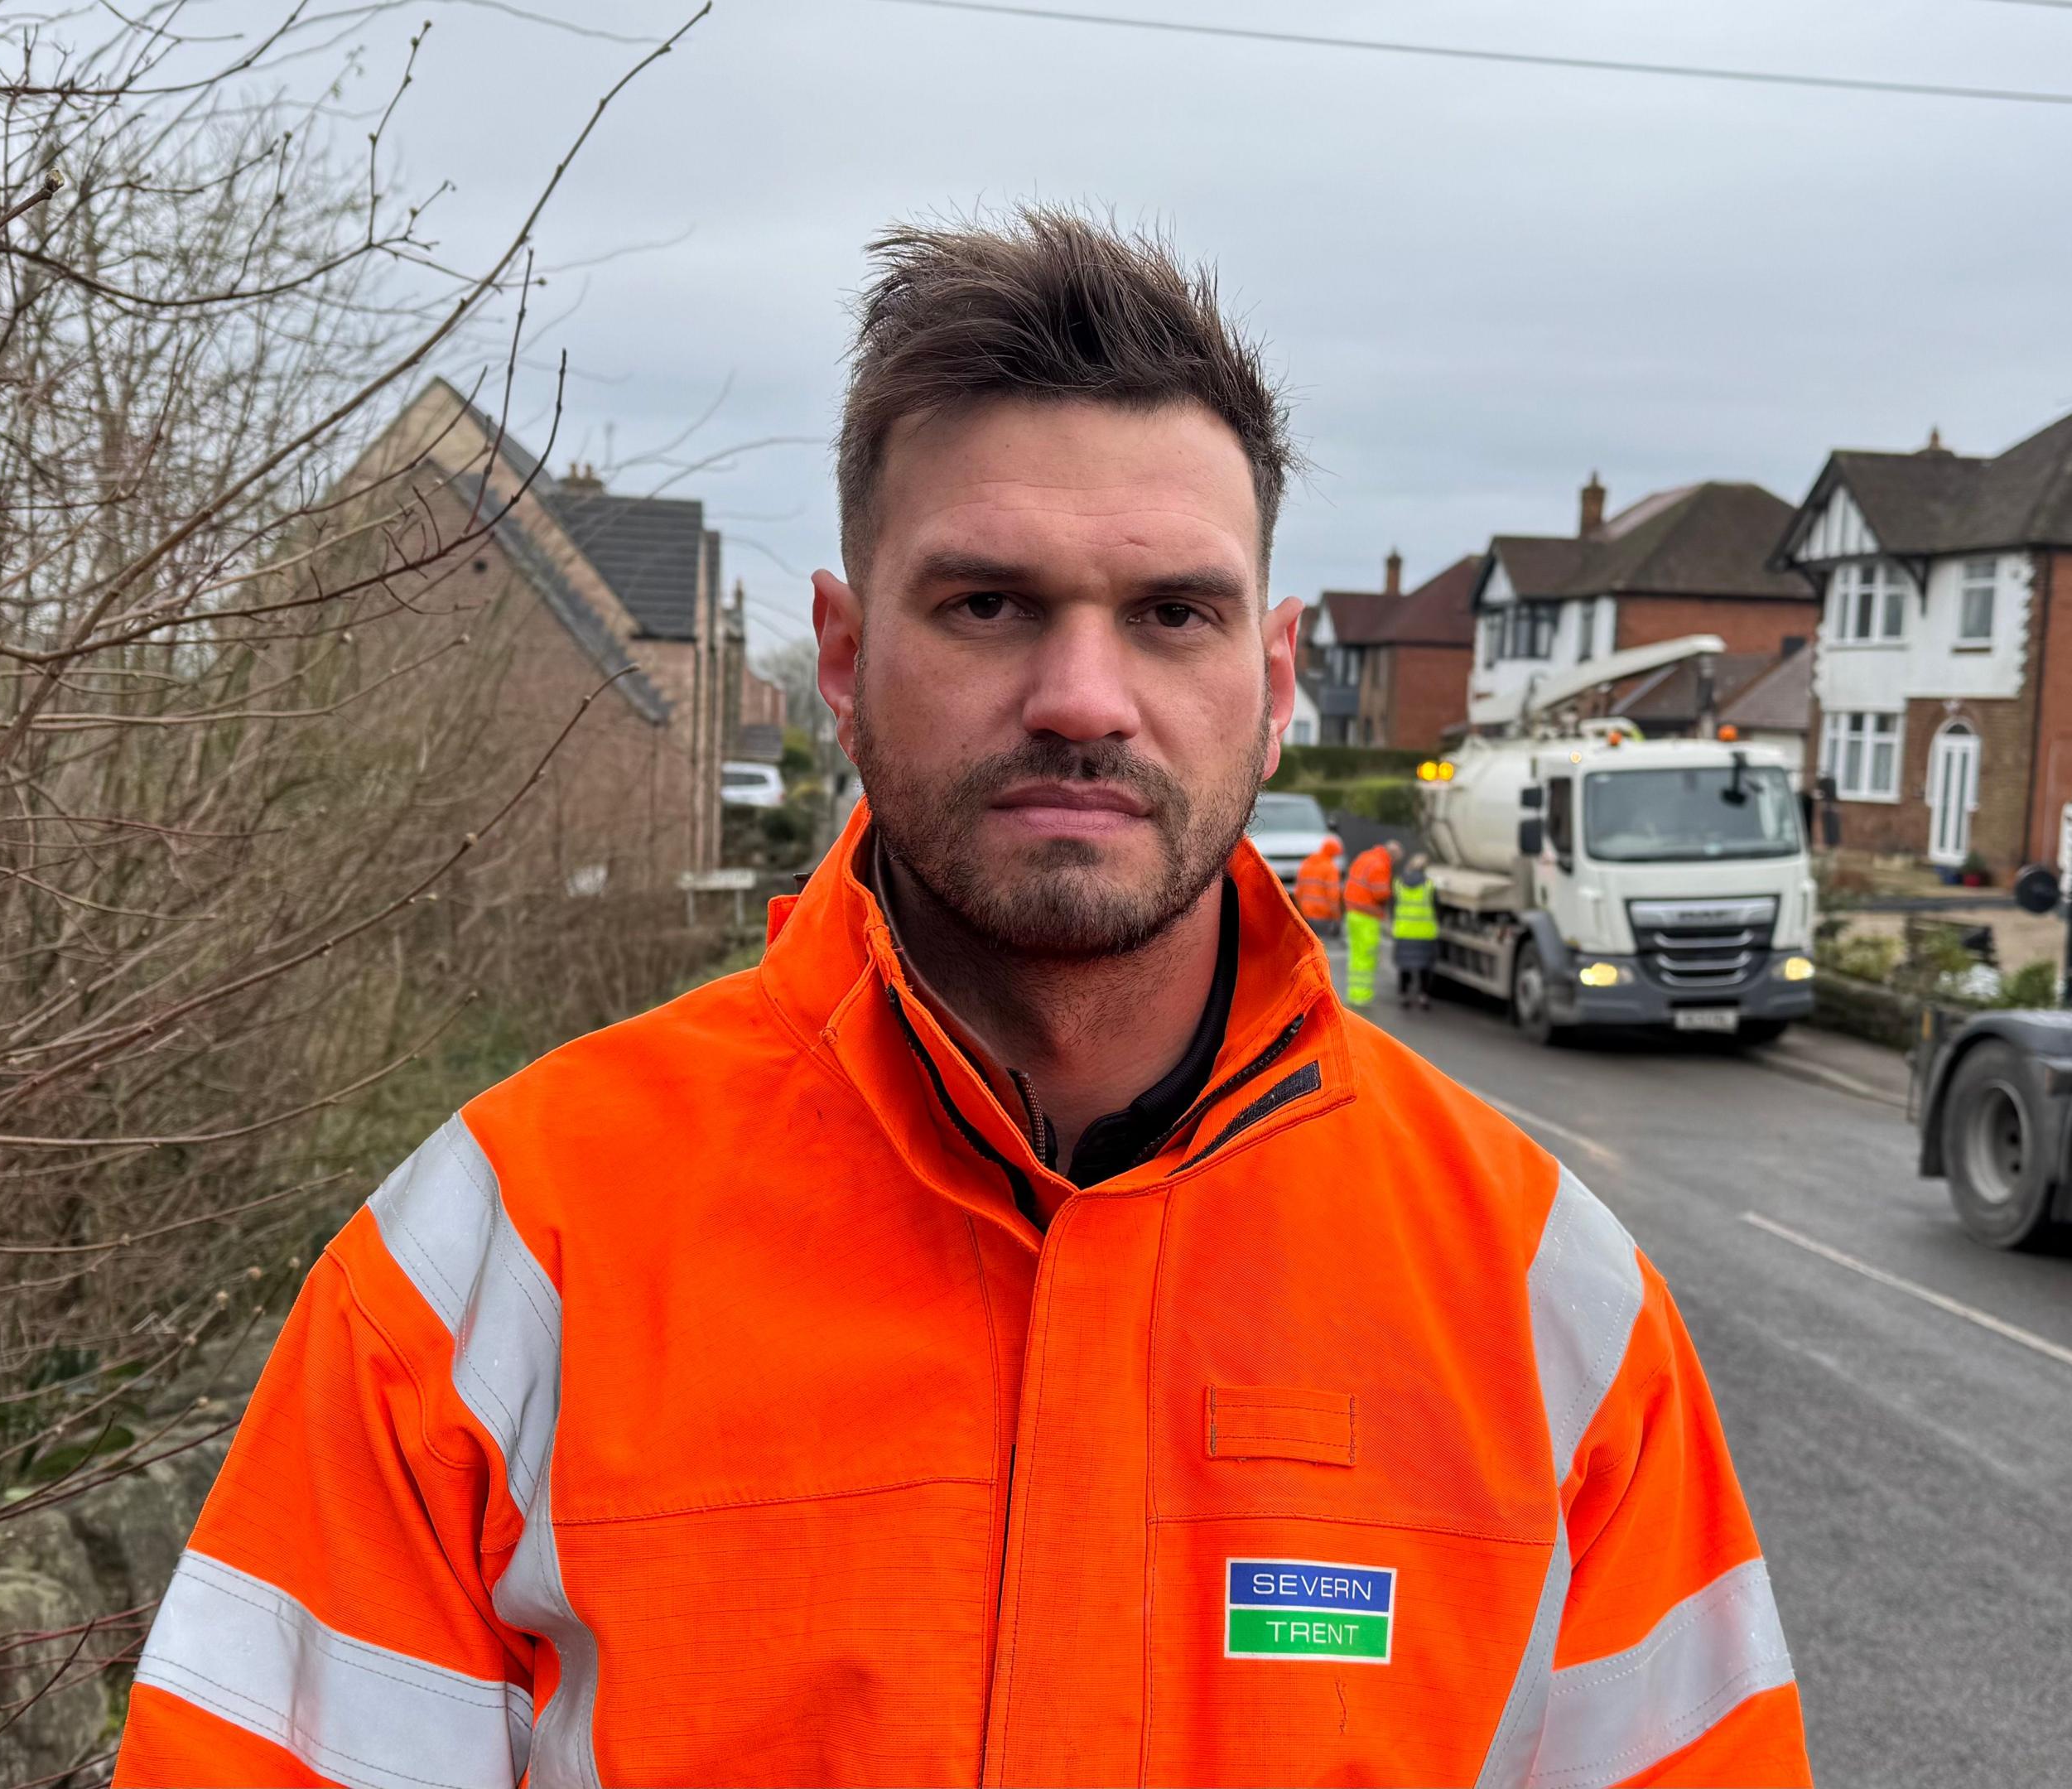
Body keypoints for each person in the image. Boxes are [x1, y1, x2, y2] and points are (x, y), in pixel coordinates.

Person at [114, 208, 1805, 1789]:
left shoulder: (1540, 1302)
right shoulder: (505, 1264)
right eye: (990, 605)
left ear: (1275, 680)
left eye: (1171, 614)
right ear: (842, 659)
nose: (1084, 698)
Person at [1341, 837, 1395, 1007]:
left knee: (1356, 955)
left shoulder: (1365, 857)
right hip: (1367, 916)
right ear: (1392, 855)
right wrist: (1390, 893)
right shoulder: (1381, 865)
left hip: (1352, 913)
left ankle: (1354, 993)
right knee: (1367, 956)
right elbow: (1380, 894)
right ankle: (1362, 996)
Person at [1393, 849, 1441, 1009]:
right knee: (1425, 967)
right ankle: (1423, 997)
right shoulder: (1429, 886)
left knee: (1404, 965)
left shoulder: (1398, 884)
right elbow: (1436, 908)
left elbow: (1393, 906)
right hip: (1425, 933)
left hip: (1404, 931)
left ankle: (1404, 995)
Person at [1292, 831, 1342, 933]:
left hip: (1305, 915)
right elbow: (1333, 896)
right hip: (1323, 917)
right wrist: (1337, 918)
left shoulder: (1306, 864)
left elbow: (1298, 892)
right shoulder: (1330, 868)